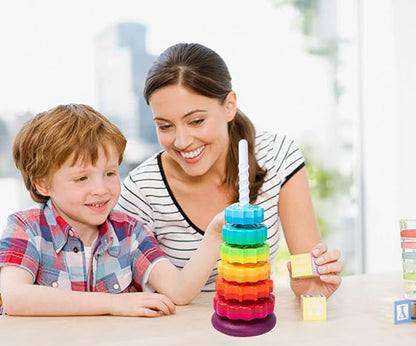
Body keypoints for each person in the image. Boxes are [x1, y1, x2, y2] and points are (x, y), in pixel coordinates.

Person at [117, 42, 343, 298]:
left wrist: (309, 286)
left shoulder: (277, 156)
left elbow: (308, 271)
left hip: (255, 325)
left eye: (196, 121)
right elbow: (133, 295)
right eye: (165, 126)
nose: (181, 142)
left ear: (229, 105)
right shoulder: (141, 190)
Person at [0, 104, 225, 317]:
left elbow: (179, 291)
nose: (101, 189)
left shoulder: (130, 231)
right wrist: (113, 303)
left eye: (109, 173)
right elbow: (15, 297)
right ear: (43, 184)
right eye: (81, 178)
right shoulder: (26, 227)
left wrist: (215, 234)